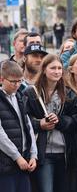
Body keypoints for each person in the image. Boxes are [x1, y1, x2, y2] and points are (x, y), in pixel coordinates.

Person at [24, 54, 77, 192]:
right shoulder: (31, 93)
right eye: (53, 68)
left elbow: (76, 121)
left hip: (65, 153)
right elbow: (23, 119)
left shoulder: (69, 93)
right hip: (43, 153)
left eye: (60, 68)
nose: (57, 71)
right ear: (44, 70)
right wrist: (39, 124)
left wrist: (60, 121)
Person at [0, 60, 37, 192]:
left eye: (20, 81)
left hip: (24, 161)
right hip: (6, 165)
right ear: (2, 79)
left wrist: (33, 154)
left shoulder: (21, 96)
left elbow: (29, 127)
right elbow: (1, 136)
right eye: (13, 82)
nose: (17, 85)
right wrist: (17, 157)